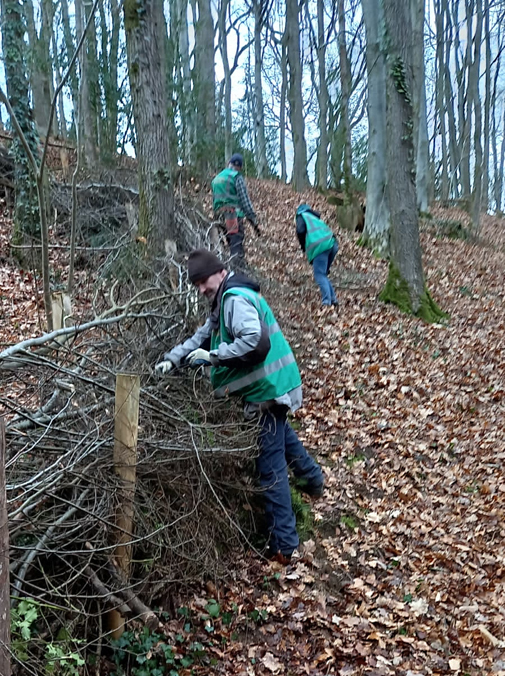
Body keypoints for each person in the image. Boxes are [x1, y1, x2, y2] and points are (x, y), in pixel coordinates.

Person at [155, 249, 324, 562]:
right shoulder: (223, 302)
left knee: (269, 470)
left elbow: (255, 342)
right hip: (274, 388)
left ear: (219, 273)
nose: (202, 288)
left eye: (204, 281)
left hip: (268, 392)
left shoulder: (233, 300)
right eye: (197, 285)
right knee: (281, 436)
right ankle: (313, 480)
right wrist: (172, 360)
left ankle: (285, 547)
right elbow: (201, 337)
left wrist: (214, 357)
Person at [211, 153, 261, 268]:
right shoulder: (236, 177)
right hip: (232, 216)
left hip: (218, 217)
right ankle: (237, 272)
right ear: (240, 167)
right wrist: (253, 220)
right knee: (236, 247)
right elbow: (245, 201)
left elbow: (214, 200)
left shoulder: (216, 179)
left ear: (229, 163)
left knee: (222, 246)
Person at [295, 204, 339, 308]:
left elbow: (300, 230)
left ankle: (326, 302)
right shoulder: (315, 218)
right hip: (332, 243)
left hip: (320, 246)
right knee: (323, 274)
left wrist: (303, 246)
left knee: (319, 275)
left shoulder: (302, 216)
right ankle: (333, 299)